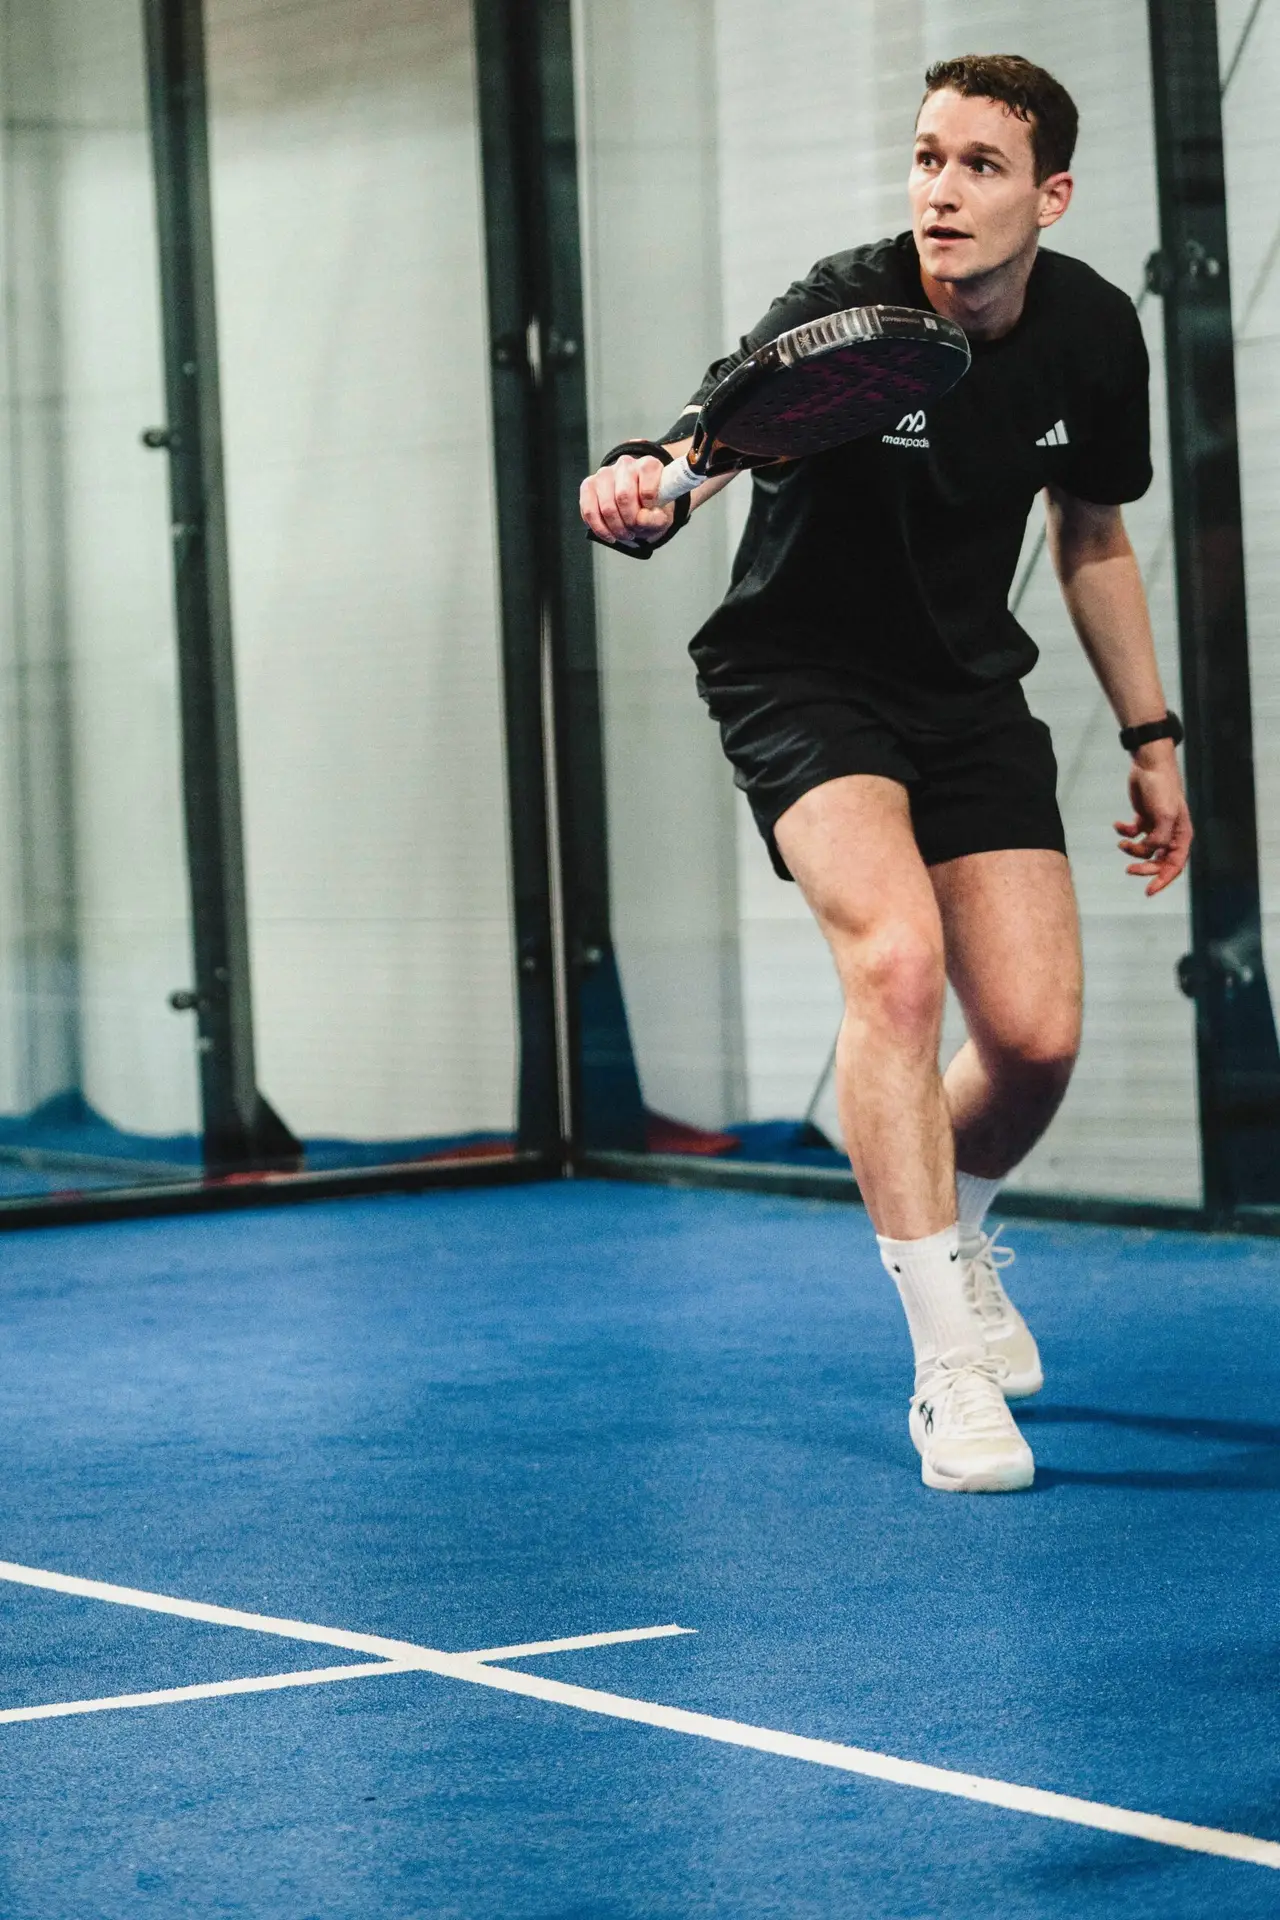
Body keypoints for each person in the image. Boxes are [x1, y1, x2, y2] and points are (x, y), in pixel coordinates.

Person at [578, 53, 1191, 1493]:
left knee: (1035, 1040)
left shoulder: (1095, 334)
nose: (941, 189)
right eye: (926, 157)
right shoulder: (846, 304)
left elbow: (1092, 536)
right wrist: (645, 479)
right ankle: (946, 1373)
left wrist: (1155, 741)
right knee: (898, 966)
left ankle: (959, 1223)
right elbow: (705, 444)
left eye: (980, 164)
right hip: (801, 677)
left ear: (1049, 195)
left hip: (968, 688)